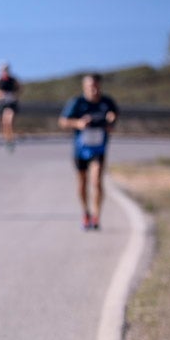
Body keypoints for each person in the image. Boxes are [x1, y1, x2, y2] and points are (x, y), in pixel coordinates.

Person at [58, 73, 119, 230]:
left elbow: (113, 120)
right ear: (84, 87)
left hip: (99, 148)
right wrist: (78, 123)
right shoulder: (77, 102)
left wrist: (110, 121)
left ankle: (97, 216)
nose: (94, 89)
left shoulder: (107, 102)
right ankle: (86, 213)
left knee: (97, 181)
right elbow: (63, 121)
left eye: (96, 86)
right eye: (90, 86)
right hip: (81, 149)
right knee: (82, 183)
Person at [0, 60, 21, 150]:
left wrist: (14, 95)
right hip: (2, 103)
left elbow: (19, 89)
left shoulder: (13, 80)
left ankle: (11, 139)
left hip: (11, 103)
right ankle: (7, 140)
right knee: (4, 123)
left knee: (9, 121)